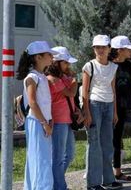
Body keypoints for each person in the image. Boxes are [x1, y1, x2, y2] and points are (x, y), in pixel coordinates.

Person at [82, 35, 122, 190]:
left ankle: (108, 179)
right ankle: (93, 183)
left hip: (109, 105)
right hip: (94, 104)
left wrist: (115, 112)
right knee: (94, 144)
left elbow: (113, 90)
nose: (100, 50)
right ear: (93, 49)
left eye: (103, 47)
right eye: (97, 47)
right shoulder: (89, 66)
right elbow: (85, 91)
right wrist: (87, 112)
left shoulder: (113, 67)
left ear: (109, 48)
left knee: (107, 143)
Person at [18, 41, 57, 190]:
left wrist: (50, 120)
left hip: (42, 121)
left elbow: (44, 102)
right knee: (40, 159)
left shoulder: (41, 76)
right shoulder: (32, 77)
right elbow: (33, 103)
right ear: (38, 57)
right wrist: (44, 123)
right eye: (48, 54)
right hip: (36, 122)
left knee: (41, 158)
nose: (51, 56)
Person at [47, 46, 80, 190]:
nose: (68, 65)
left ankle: (55, 180)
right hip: (59, 120)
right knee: (59, 157)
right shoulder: (53, 79)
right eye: (65, 62)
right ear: (57, 62)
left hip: (67, 120)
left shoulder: (63, 77)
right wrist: (75, 82)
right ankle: (59, 186)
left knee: (69, 155)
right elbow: (71, 93)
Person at [110, 35, 131, 183]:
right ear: (120, 50)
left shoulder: (129, 66)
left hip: (122, 107)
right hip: (108, 106)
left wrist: (128, 106)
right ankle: (103, 170)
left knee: (117, 138)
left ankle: (117, 171)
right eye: (128, 49)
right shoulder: (108, 65)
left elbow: (130, 86)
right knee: (106, 139)